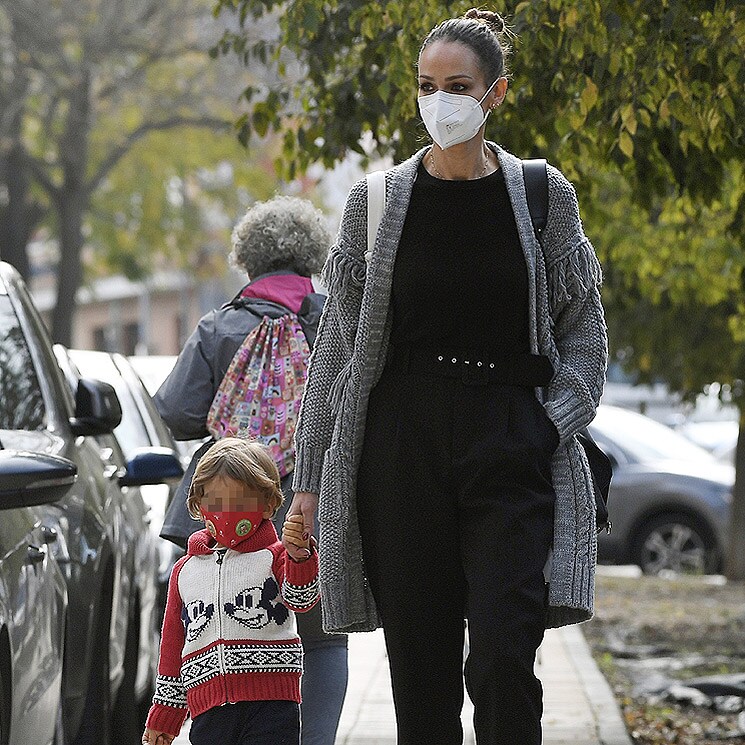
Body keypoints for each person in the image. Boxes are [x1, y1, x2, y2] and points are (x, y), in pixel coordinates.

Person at [288, 8, 607, 745]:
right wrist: (307, 481)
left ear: (494, 93)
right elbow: (335, 355)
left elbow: (584, 333)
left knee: (502, 655)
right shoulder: (374, 203)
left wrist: (545, 424)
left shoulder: (539, 194)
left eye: (456, 85)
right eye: (425, 86)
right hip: (401, 448)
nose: (440, 101)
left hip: (510, 440)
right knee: (420, 675)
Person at [153, 196, 348, 745]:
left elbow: (175, 411)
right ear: (312, 257)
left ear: (248, 260)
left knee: (222, 634)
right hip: (314, 502)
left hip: (226, 507)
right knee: (323, 637)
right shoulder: (335, 320)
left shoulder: (221, 328)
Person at [142, 437, 318, 745]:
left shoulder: (275, 556)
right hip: (209, 709)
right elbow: (172, 645)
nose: (226, 513)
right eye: (215, 503)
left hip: (272, 704)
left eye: (239, 503)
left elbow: (301, 599)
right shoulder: (185, 571)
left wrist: (299, 556)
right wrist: (166, 713)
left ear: (267, 505)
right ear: (198, 505)